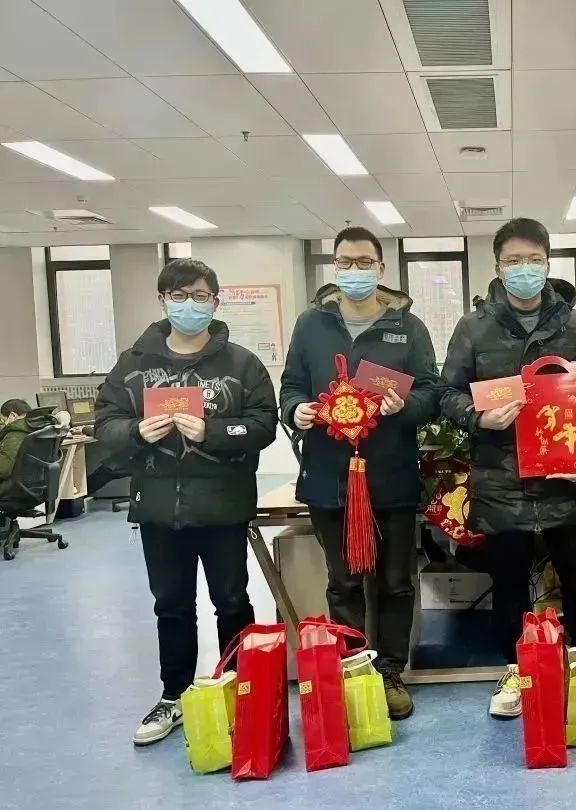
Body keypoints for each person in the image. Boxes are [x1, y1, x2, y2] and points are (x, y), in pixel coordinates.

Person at [95, 258, 277, 746]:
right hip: (159, 509)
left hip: (223, 507)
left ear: (215, 301)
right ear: (163, 301)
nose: (189, 305)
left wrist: (213, 431)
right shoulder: (134, 364)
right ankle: (173, 694)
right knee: (171, 605)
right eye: (179, 296)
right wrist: (136, 431)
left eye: (199, 296)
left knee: (232, 600)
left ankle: (241, 688)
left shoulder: (241, 364)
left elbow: (263, 424)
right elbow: (105, 424)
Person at [440, 217, 576, 720]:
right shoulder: (474, 328)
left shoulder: (574, 325)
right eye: (514, 261)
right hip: (501, 477)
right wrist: (479, 417)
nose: (525, 269)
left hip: (563, 477)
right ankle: (518, 670)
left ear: (548, 263)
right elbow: (448, 393)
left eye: (534, 260)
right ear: (497, 267)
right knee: (510, 581)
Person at [280, 226, 440, 721]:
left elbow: (431, 392)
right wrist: (296, 410)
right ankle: (352, 670)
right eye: (345, 263)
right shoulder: (311, 325)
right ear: (334, 267)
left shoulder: (408, 328)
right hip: (329, 477)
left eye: (364, 263)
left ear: (381, 268)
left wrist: (405, 406)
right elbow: (290, 386)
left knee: (395, 582)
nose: (355, 271)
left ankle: (390, 671)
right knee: (343, 582)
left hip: (390, 477)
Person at [0, 399, 56, 499]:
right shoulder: (41, 429)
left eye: (4, 420)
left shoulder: (15, 434)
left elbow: (3, 470)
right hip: (38, 487)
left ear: (12, 415)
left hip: (12, 489)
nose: (4, 424)